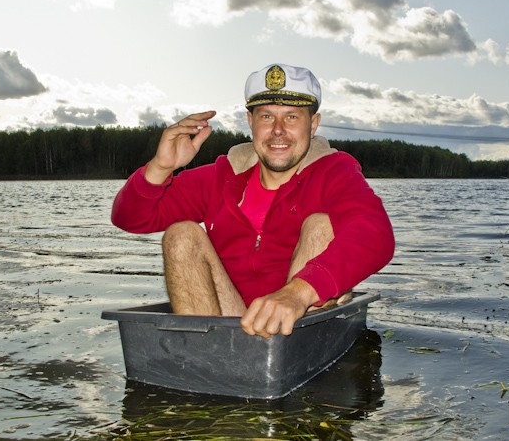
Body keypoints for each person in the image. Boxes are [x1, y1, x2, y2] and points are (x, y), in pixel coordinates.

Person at [111, 63, 395, 339]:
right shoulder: (220, 177)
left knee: (322, 226)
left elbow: (374, 234)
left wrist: (299, 292)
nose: (278, 130)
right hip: (227, 321)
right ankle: (206, 356)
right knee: (181, 234)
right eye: (267, 117)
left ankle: (289, 355)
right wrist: (160, 168)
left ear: (313, 124)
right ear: (251, 122)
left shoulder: (334, 172)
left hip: (299, 323)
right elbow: (130, 218)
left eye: (292, 117)